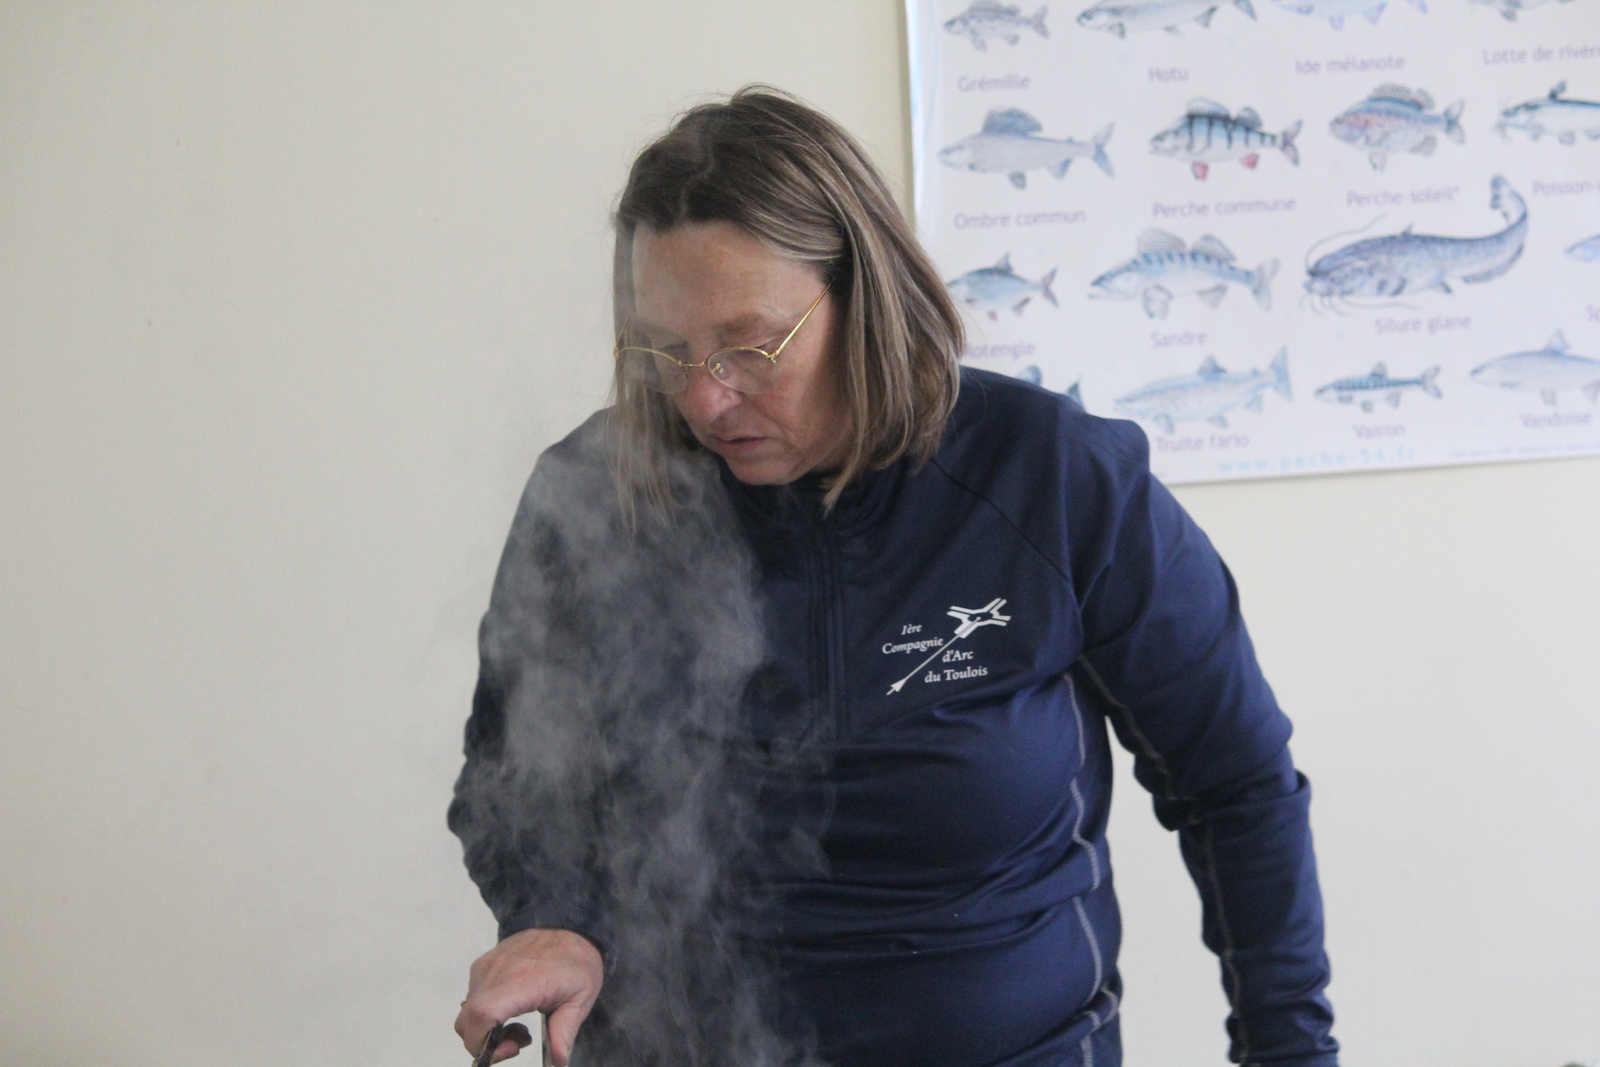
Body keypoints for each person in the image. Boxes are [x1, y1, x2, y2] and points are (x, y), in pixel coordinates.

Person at [450, 87, 1337, 1067]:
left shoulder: (1052, 478)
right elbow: (510, 773)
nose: (704, 398)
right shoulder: (594, 496)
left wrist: (1288, 1051)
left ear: (865, 298)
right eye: (667, 349)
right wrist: (552, 917)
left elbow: (1235, 784)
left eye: (750, 346)